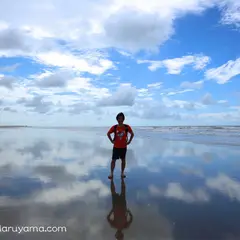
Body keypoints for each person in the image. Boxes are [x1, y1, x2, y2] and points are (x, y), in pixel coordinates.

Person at [107, 112, 134, 179]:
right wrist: (111, 141)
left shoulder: (127, 127)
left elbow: (132, 134)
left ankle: (122, 173)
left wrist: (129, 141)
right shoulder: (115, 127)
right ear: (117, 119)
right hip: (116, 147)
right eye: (119, 118)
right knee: (113, 160)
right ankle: (111, 173)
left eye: (121, 118)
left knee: (123, 160)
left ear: (123, 119)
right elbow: (108, 133)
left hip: (123, 147)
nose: (120, 120)